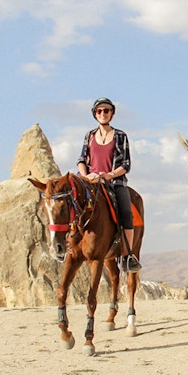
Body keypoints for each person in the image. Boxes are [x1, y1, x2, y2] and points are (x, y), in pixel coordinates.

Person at [78, 97, 140, 273]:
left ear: (112, 113)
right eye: (99, 111)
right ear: (95, 114)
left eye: (106, 110)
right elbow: (81, 159)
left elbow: (126, 164)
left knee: (127, 213)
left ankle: (128, 256)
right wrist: (86, 176)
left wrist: (109, 175)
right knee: (70, 203)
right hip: (90, 181)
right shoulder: (89, 135)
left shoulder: (120, 136)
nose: (103, 114)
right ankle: (67, 244)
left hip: (113, 182)